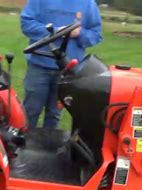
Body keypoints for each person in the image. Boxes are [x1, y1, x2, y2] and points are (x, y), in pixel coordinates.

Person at [20, 0, 103, 129]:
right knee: (30, 110)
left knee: (54, 114)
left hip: (67, 71)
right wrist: (55, 31)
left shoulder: (88, 3)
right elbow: (26, 23)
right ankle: (22, 143)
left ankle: (48, 145)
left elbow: (95, 34)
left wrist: (80, 33)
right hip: (39, 67)